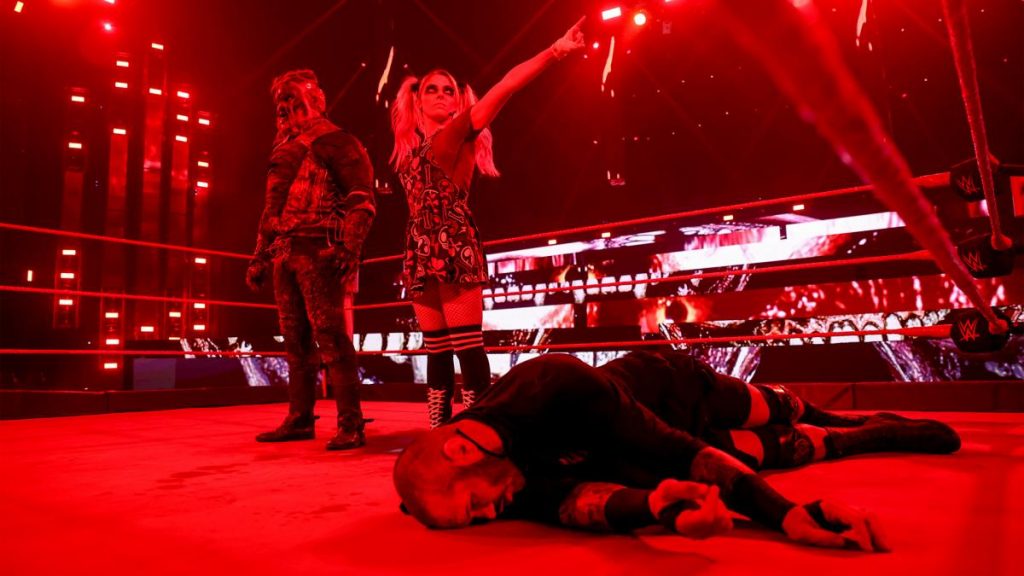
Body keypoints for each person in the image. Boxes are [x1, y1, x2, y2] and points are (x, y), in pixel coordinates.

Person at [393, 350, 961, 550]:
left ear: (461, 452)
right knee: (790, 451)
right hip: (642, 455)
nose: (488, 515)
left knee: (771, 407)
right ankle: (863, 434)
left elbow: (674, 448)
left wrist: (785, 516)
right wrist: (660, 505)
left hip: (667, 391)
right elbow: (580, 503)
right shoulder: (497, 479)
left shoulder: (555, 384)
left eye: (474, 507)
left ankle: (839, 415)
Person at [389, 19, 587, 428]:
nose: (442, 94)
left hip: (452, 242)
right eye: (432, 89)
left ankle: (479, 426)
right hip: (420, 250)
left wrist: (555, 51)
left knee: (466, 345)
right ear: (418, 101)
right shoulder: (408, 153)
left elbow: (506, 85)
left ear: (458, 100)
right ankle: (440, 429)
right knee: (436, 349)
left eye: (449, 89)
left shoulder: (459, 129)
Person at [246, 69, 376, 450]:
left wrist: (350, 246)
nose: (286, 109)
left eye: (293, 100)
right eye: (282, 104)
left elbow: (361, 198)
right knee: (295, 341)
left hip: (320, 248)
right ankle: (300, 417)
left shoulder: (339, 141)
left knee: (330, 336)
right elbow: (271, 211)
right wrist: (259, 256)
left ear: (316, 101)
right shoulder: (283, 150)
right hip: (286, 253)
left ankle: (350, 423)